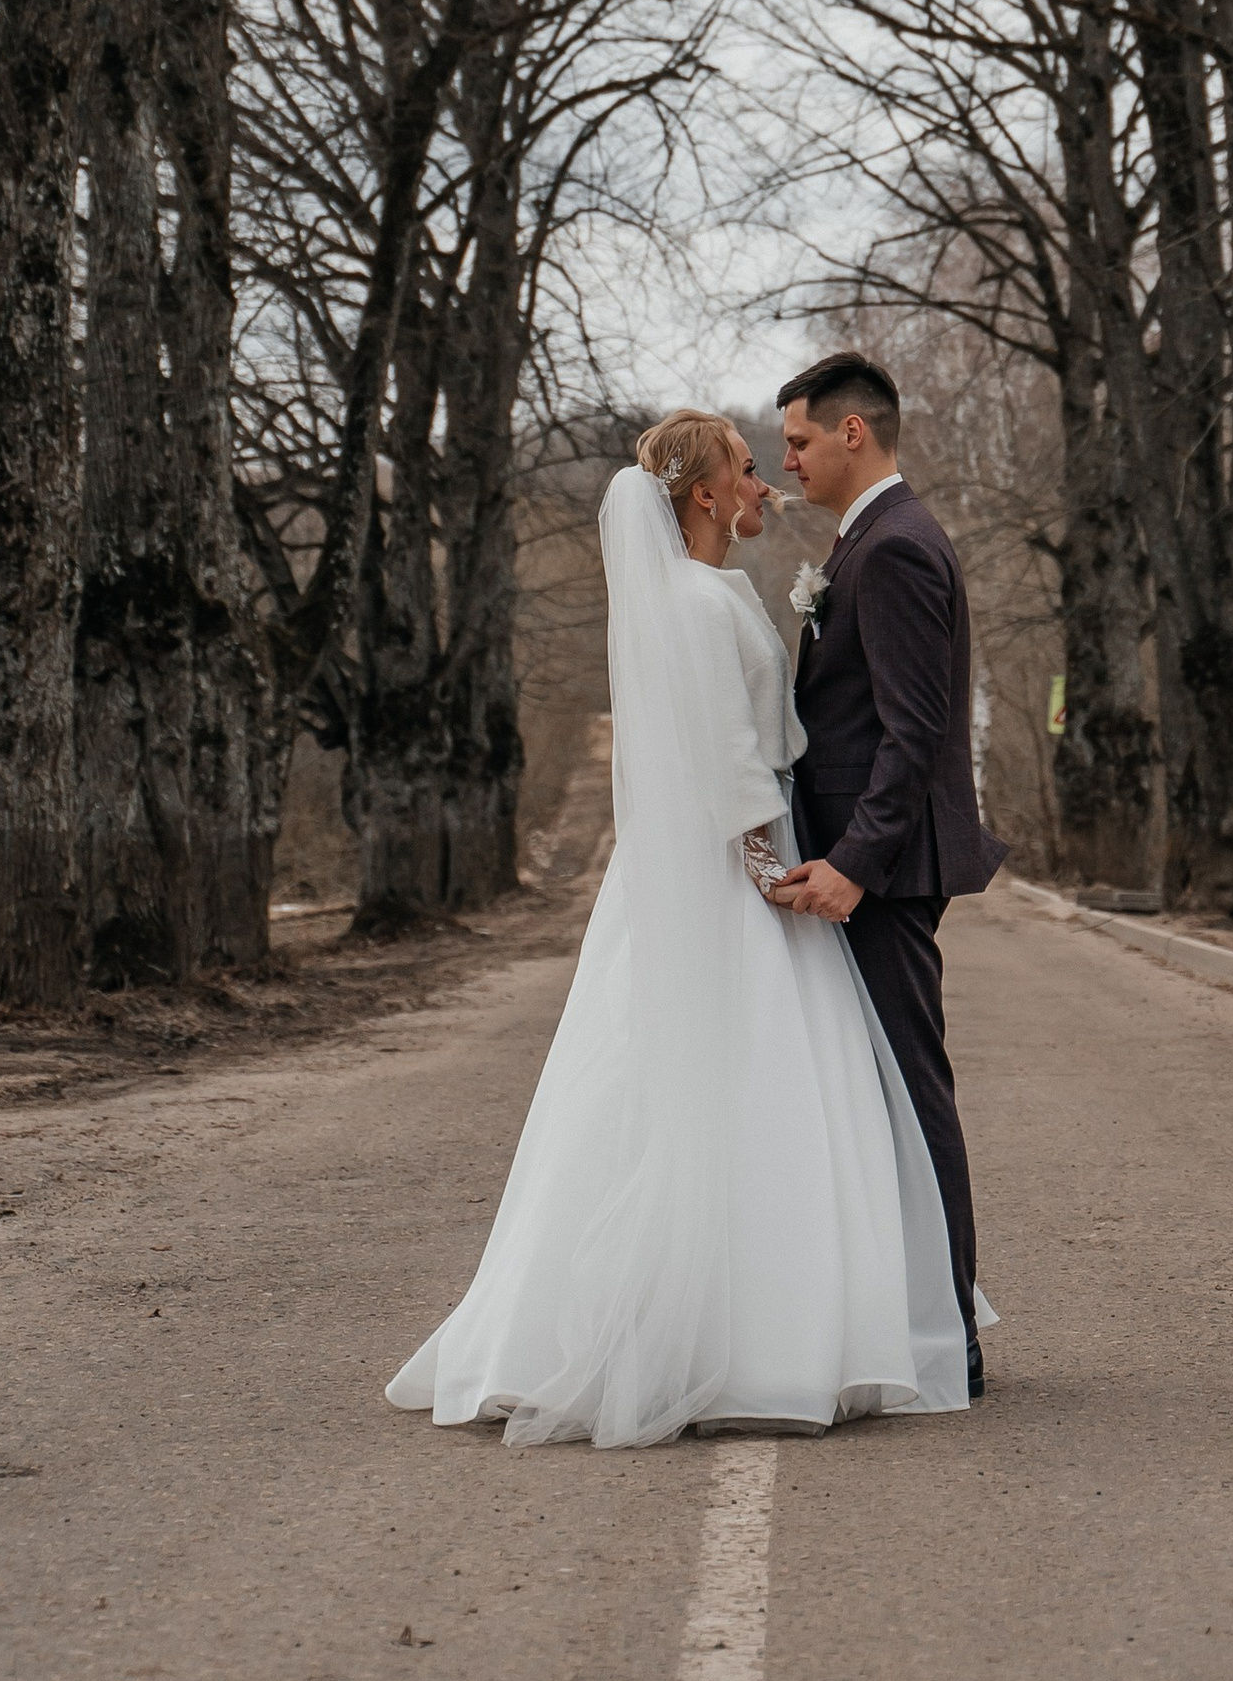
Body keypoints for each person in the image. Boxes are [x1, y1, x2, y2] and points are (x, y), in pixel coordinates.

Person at [383, 409, 984, 1447]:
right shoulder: (699, 605)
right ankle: (751, 1334)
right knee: (751, 1092)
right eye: (750, 471)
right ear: (703, 494)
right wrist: (769, 873)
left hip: (716, 859)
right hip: (737, 869)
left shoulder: (711, 591)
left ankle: (755, 1314)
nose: (768, 486)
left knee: (709, 1088)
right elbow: (724, 756)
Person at [768, 352, 1007, 1396]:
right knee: (879, 1097)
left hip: (887, 866)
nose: (788, 459)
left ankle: (946, 1331)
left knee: (912, 1093)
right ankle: (902, 1316)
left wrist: (855, 866)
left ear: (852, 431)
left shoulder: (898, 547)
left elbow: (913, 736)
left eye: (799, 439)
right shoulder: (865, 541)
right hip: (862, 858)